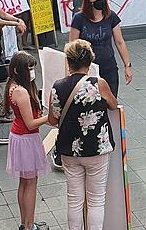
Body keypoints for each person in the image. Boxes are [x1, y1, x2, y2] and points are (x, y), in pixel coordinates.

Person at [48, 39, 117, 230]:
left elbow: (53, 120)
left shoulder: (57, 86)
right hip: (97, 148)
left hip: (69, 150)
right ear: (90, 61)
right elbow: (113, 104)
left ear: (68, 62)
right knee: (96, 200)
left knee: (74, 200)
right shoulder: (99, 84)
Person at [3, 51, 49, 230]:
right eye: (29, 69)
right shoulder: (21, 91)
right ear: (18, 70)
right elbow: (30, 124)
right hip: (26, 140)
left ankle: (25, 223)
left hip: (18, 138)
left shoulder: (12, 86)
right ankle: (30, 226)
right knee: (30, 182)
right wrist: (50, 117)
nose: (32, 72)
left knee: (24, 182)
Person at [69, 0, 133, 97]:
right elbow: (72, 46)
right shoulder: (79, 18)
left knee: (111, 101)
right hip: (86, 69)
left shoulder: (111, 16)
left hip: (109, 67)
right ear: (89, 0)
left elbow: (120, 42)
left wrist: (127, 66)